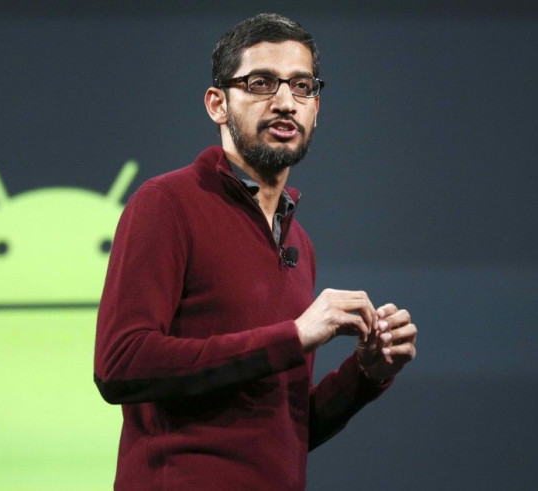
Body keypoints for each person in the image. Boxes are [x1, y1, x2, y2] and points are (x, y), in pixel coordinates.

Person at [94, 13, 417, 490]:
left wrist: (364, 374)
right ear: (217, 104)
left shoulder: (298, 243)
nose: (286, 102)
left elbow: (281, 431)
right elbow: (120, 363)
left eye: (302, 86)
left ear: (316, 107)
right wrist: (294, 335)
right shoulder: (167, 204)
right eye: (262, 83)